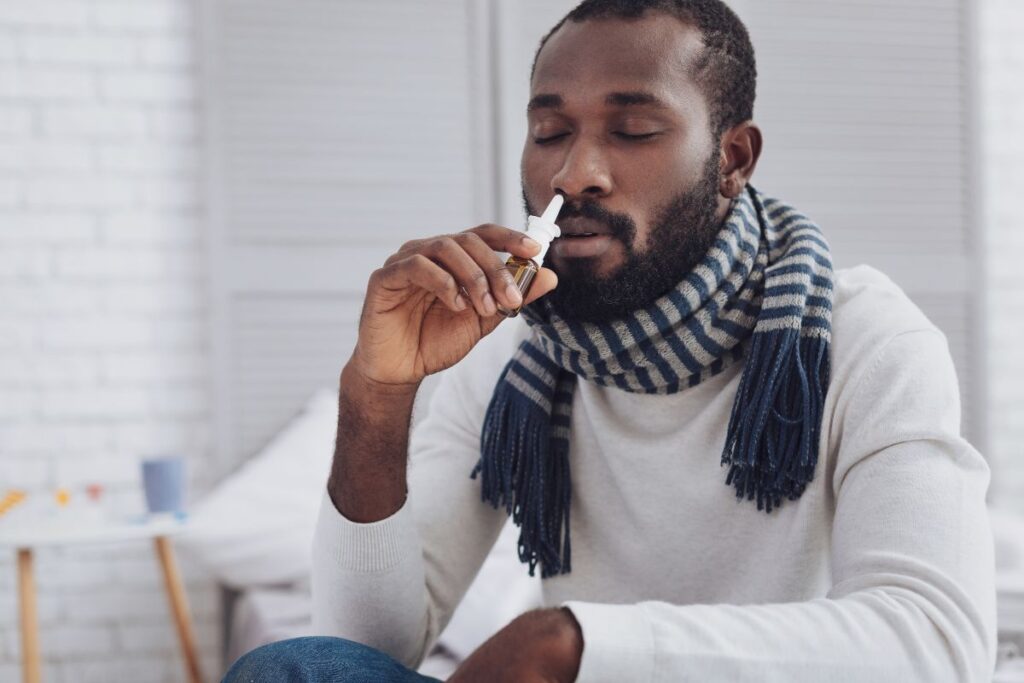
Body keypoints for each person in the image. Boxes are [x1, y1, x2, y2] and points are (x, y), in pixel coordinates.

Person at [223, 0, 997, 681]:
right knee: (294, 670)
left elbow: (934, 642)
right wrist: (377, 394)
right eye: (549, 130)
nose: (574, 172)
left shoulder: (866, 337)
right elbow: (368, 648)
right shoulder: (509, 352)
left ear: (732, 159)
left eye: (632, 130)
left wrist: (577, 643)